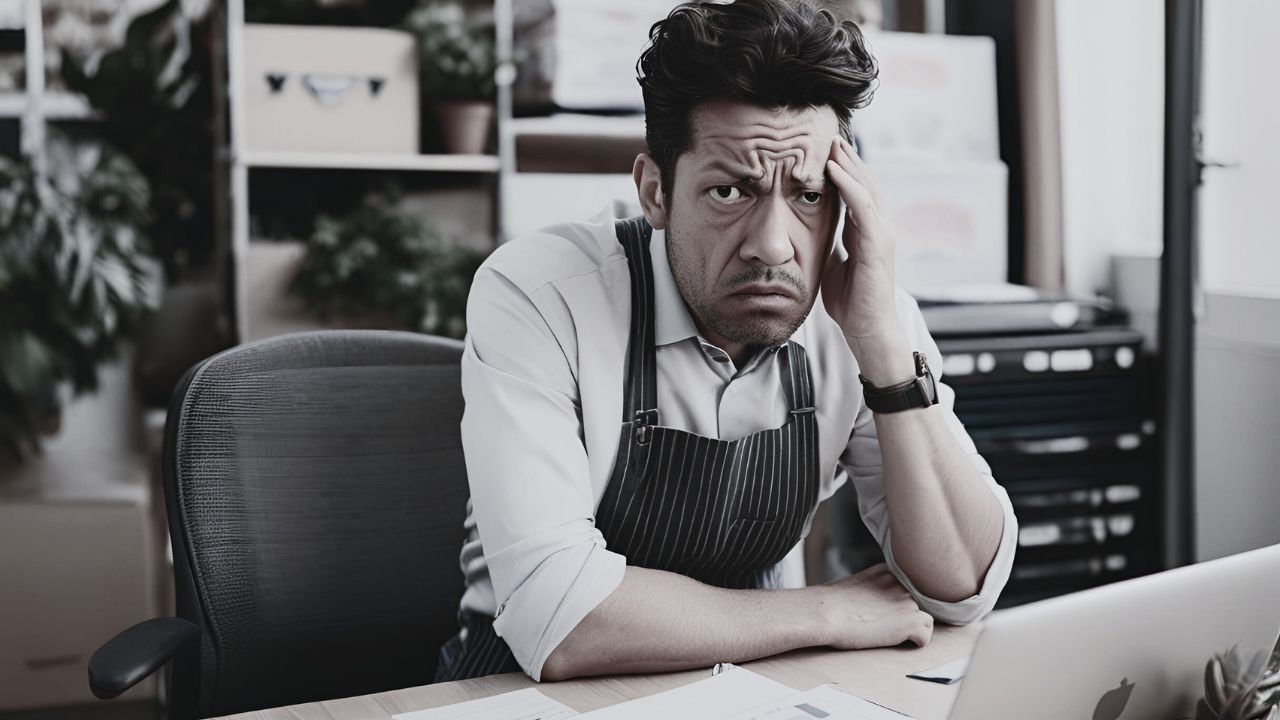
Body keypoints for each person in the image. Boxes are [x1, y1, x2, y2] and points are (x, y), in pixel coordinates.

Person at [436, 0, 1018, 683]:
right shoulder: (542, 294)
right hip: (525, 695)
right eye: (729, 192)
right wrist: (825, 612)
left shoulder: (863, 314)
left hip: (757, 687)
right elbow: (562, 620)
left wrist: (886, 353)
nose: (773, 247)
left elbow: (962, 587)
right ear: (655, 190)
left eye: (806, 196)